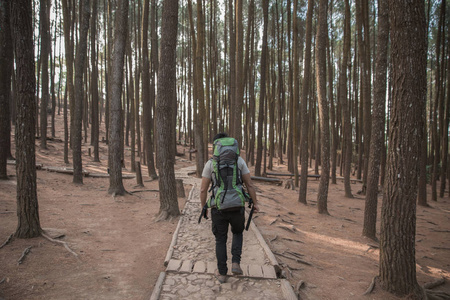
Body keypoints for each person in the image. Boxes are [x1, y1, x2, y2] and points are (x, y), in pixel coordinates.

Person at [200, 132, 259, 283]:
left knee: (220, 239)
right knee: (238, 233)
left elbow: (202, 189)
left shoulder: (210, 164)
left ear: (215, 146)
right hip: (237, 206)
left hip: (218, 208)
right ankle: (235, 263)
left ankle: (222, 273)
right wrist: (255, 203)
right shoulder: (239, 161)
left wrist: (203, 207)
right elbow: (249, 184)